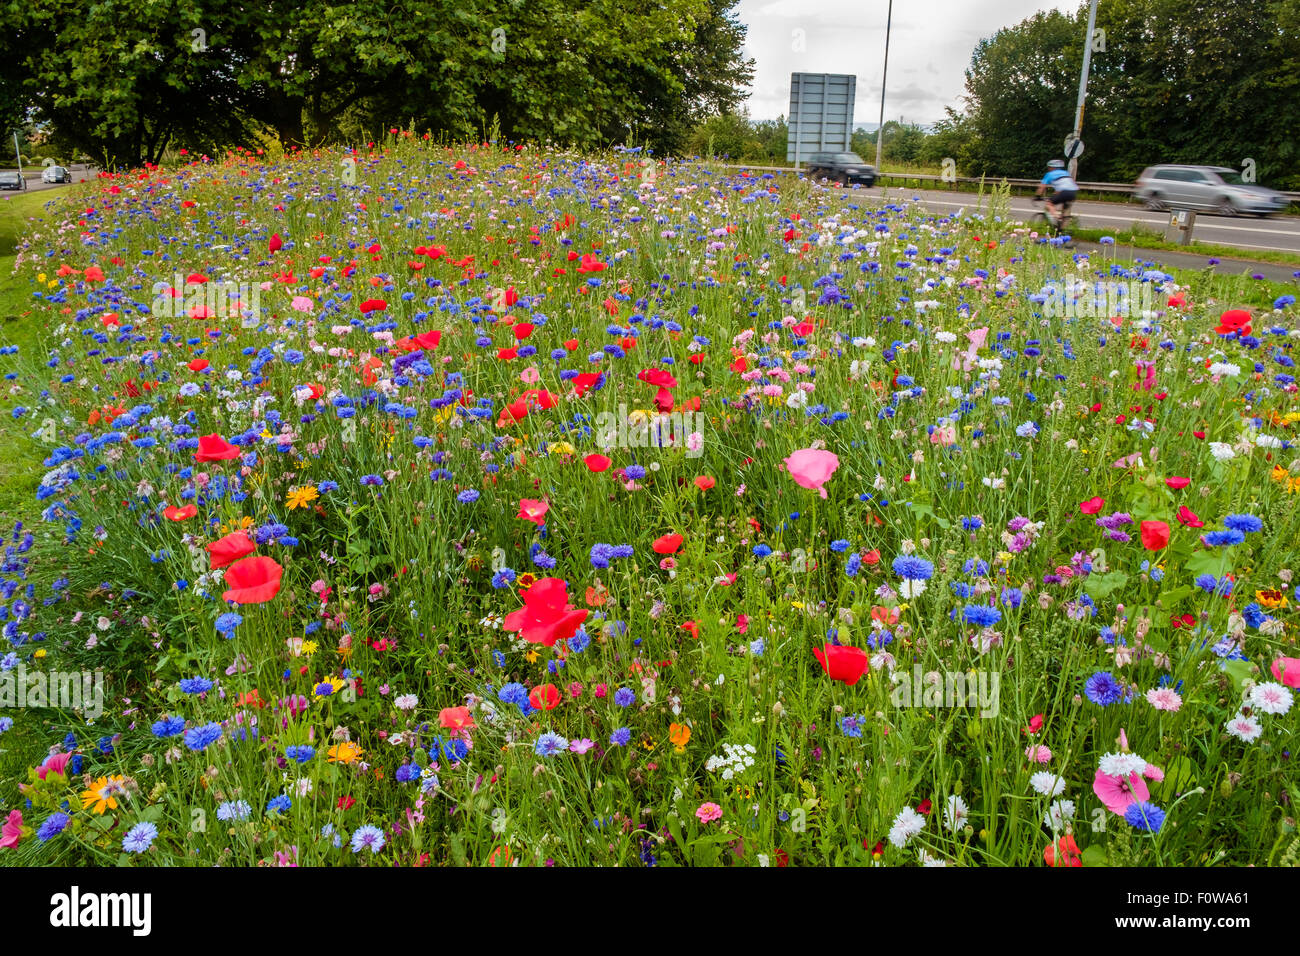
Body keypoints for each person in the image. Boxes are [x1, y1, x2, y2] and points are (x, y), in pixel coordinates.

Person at [1037, 159, 1078, 226]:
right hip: (1073, 192)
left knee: (1049, 204)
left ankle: (1058, 219)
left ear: (1052, 168)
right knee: (1063, 210)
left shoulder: (1049, 174)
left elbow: (1042, 186)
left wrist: (1037, 196)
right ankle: (1061, 227)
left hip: (1064, 192)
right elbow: (1059, 190)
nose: (1048, 169)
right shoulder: (1065, 173)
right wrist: (1053, 195)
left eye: (1049, 167)